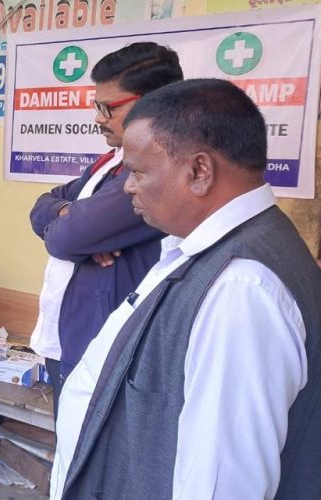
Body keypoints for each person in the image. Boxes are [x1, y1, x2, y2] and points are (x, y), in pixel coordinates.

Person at [52, 79, 321, 499]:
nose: (128, 186)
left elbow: (220, 486)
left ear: (199, 171)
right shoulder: (205, 250)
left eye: (138, 171)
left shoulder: (242, 289)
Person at [28, 42, 183, 410]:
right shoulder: (112, 160)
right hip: (71, 334)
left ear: (150, 103)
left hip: (104, 345)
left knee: (89, 454)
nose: (98, 117)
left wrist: (73, 223)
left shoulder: (155, 170)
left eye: (106, 107)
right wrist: (68, 210)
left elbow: (67, 238)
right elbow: (40, 207)